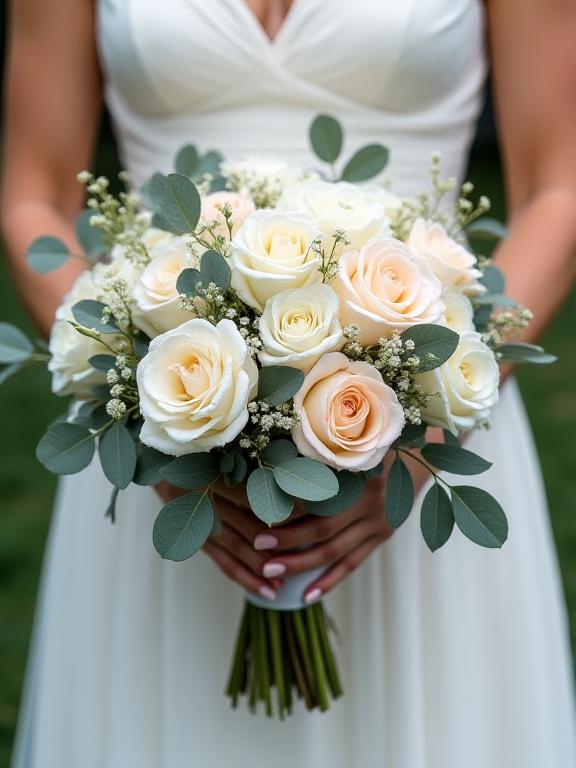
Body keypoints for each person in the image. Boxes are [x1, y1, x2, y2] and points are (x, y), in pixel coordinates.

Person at [2, 0, 576, 765]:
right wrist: (159, 418)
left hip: (424, 449)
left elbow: (558, 188)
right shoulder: (158, 431)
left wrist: (420, 432)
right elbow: (31, 196)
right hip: (161, 463)